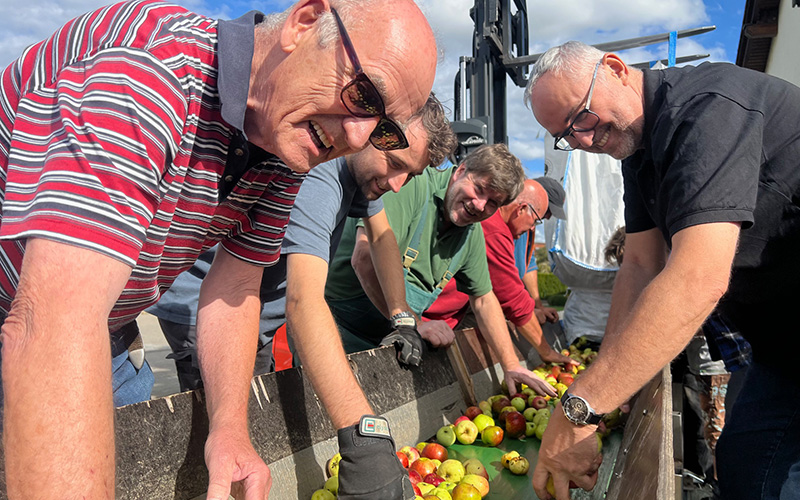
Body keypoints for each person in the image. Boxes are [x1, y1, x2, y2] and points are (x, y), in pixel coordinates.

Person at [0, 0, 437, 498]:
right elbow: (53, 325)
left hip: (106, 330)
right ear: (305, 23)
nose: (357, 137)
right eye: (363, 93)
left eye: (382, 128)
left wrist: (228, 427)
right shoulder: (151, 71)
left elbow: (236, 284)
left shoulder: (284, 142)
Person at [525, 40, 800, 500]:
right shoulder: (638, 152)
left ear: (615, 68)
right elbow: (639, 264)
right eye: (566, 136)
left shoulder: (706, 109)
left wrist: (579, 409)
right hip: (780, 347)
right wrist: (612, 383)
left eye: (581, 118)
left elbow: (698, 277)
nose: (584, 141)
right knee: (746, 467)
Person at [325, 143, 558, 398]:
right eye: (479, 189)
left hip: (388, 339)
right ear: (461, 171)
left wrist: (511, 365)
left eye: (493, 202)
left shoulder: (471, 232)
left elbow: (483, 299)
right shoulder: (412, 186)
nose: (479, 205)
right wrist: (413, 323)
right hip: (338, 327)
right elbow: (364, 258)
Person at [423, 179, 576, 367]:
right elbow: (512, 298)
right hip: (429, 319)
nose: (533, 227)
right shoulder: (495, 231)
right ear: (521, 209)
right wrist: (546, 352)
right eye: (536, 220)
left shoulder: (500, 227)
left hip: (446, 317)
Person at [517, 176, 566, 325]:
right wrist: (526, 310)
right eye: (548, 209)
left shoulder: (529, 228)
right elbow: (502, 274)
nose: (549, 216)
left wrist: (539, 306)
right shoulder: (513, 225)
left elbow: (528, 265)